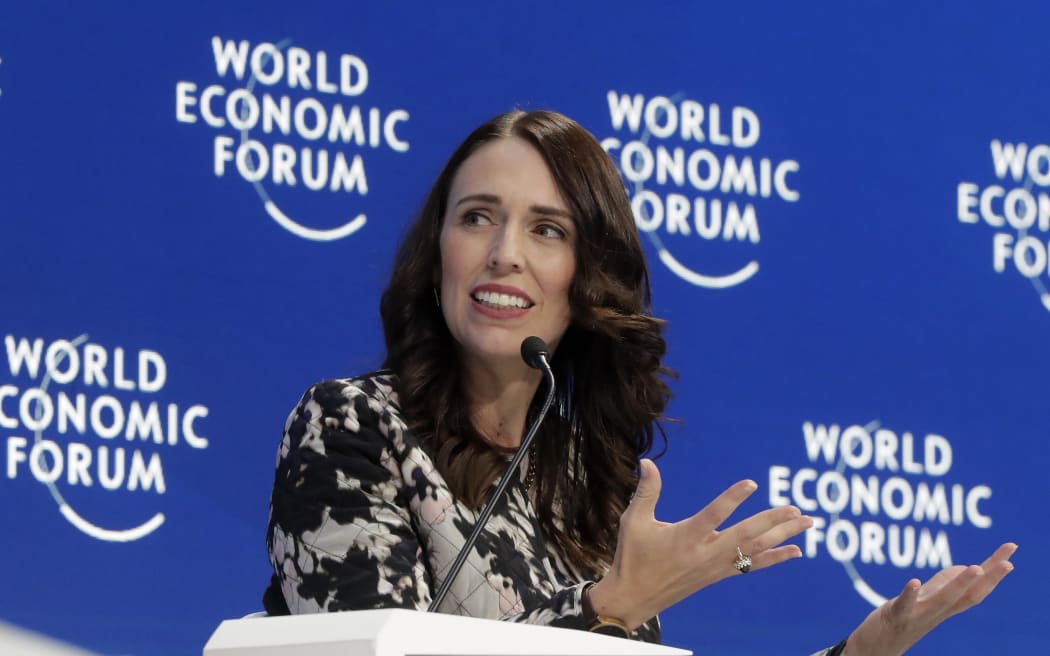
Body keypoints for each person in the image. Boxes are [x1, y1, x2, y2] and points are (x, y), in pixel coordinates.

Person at [263, 109, 1016, 654]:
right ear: (437, 257)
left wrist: (859, 654)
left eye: (546, 230)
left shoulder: (589, 481)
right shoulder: (352, 424)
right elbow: (365, 648)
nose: (503, 253)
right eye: (476, 218)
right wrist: (613, 604)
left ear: (589, 278)